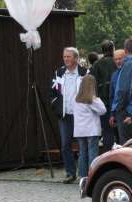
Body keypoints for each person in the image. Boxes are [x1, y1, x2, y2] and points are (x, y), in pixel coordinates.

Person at [50, 47, 87, 184]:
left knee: (83, 144)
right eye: (64, 56)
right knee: (66, 144)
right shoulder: (59, 73)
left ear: (76, 58)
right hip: (65, 115)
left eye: (69, 57)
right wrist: (56, 106)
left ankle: (84, 173)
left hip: (81, 115)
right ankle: (70, 173)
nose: (66, 59)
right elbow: (53, 92)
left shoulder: (84, 73)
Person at [73, 74, 107, 181]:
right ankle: (93, 175)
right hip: (91, 130)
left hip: (79, 130)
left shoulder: (75, 99)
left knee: (82, 152)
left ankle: (82, 176)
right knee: (93, 153)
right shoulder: (92, 99)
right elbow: (103, 110)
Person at [89, 40, 117, 153]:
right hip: (117, 101)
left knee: (107, 131)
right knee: (119, 132)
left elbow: (91, 83)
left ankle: (108, 156)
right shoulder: (117, 62)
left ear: (102, 50)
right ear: (112, 49)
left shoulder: (96, 65)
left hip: (103, 103)